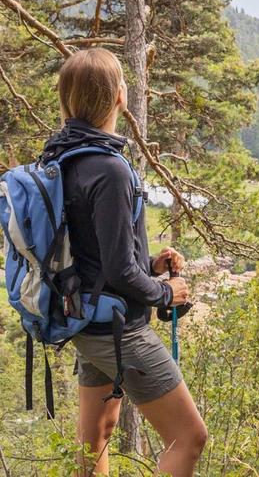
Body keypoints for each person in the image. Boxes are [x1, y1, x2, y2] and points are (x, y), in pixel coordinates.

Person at [45, 49, 207, 477]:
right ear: (119, 96)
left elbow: (94, 250)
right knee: (189, 438)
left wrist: (150, 263)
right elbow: (119, 271)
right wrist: (166, 290)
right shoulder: (109, 169)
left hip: (85, 318)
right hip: (117, 330)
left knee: (97, 431)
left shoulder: (63, 156)